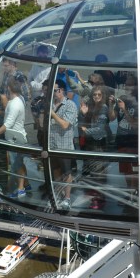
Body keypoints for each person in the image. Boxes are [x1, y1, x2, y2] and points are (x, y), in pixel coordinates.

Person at [0, 78, 29, 197]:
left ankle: (21, 189)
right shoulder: (17, 100)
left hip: (15, 139)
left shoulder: (15, 104)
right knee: (19, 162)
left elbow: (8, 124)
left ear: (9, 89)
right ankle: (26, 184)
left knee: (16, 164)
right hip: (15, 137)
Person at [48, 78, 78, 209]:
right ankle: (58, 194)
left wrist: (52, 114)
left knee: (66, 173)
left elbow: (65, 125)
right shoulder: (50, 104)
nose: (52, 93)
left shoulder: (70, 105)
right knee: (55, 171)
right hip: (52, 144)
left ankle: (67, 198)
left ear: (61, 90)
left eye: (54, 90)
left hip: (64, 146)